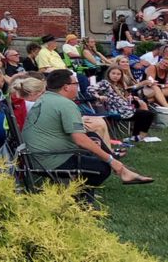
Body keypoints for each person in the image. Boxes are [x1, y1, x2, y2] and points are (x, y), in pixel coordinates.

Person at [22, 69, 152, 200]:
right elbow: (79, 139)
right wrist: (110, 160)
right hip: (49, 159)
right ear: (66, 87)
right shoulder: (65, 104)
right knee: (103, 168)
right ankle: (82, 198)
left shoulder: (45, 98)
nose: (78, 86)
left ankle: (122, 171)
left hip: (36, 155)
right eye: (76, 83)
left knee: (92, 136)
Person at [91, 58, 156, 142]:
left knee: (147, 114)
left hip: (125, 108)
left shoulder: (119, 84)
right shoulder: (105, 83)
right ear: (108, 74)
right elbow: (91, 88)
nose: (115, 76)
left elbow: (123, 96)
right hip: (116, 110)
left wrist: (131, 97)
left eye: (118, 74)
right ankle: (138, 136)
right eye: (113, 73)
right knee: (146, 114)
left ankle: (137, 136)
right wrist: (99, 96)